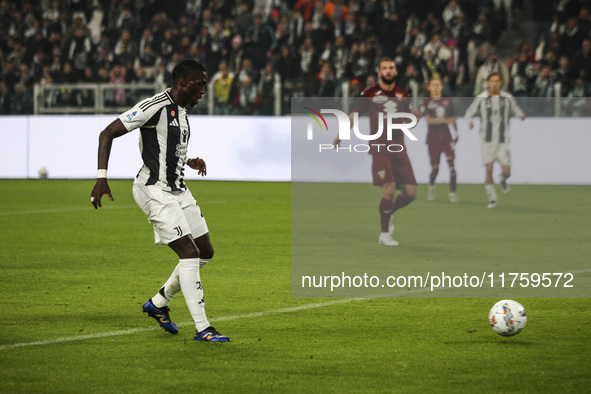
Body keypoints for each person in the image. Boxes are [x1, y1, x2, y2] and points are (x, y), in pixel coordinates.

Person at [89, 59, 231, 342]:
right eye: (200, 83)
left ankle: (159, 302)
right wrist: (101, 177)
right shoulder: (154, 106)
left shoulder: (183, 111)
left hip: (179, 188)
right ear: (182, 83)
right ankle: (204, 328)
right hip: (154, 190)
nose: (204, 88)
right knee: (189, 254)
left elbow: (168, 145)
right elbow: (108, 133)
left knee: (205, 252)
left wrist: (188, 160)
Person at [333, 57, 418, 246]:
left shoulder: (403, 94)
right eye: (385, 68)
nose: (388, 71)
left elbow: (409, 122)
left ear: (395, 72)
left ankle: (389, 211)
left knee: (411, 193)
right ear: (379, 72)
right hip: (379, 147)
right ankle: (385, 234)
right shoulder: (369, 93)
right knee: (388, 189)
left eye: (391, 68)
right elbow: (354, 115)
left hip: (399, 146)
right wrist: (341, 135)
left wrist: (415, 118)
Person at [464, 72, 526, 208]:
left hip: (503, 141)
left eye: (497, 81)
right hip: (487, 141)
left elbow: (516, 109)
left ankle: (503, 180)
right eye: (492, 81)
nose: (494, 83)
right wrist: (469, 122)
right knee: (489, 169)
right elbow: (469, 112)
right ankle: (492, 199)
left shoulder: (507, 98)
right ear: (487, 83)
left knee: (507, 171)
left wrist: (521, 115)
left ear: (500, 83)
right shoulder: (481, 98)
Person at [421, 77, 458, 203]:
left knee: (452, 165)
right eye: (433, 84)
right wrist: (444, 121)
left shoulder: (447, 101)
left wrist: (457, 133)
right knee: (435, 169)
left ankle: (453, 194)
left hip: (447, 137)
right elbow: (428, 120)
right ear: (429, 87)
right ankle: (431, 185)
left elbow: (453, 118)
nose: (436, 87)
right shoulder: (426, 101)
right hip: (433, 139)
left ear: (442, 87)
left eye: (438, 84)